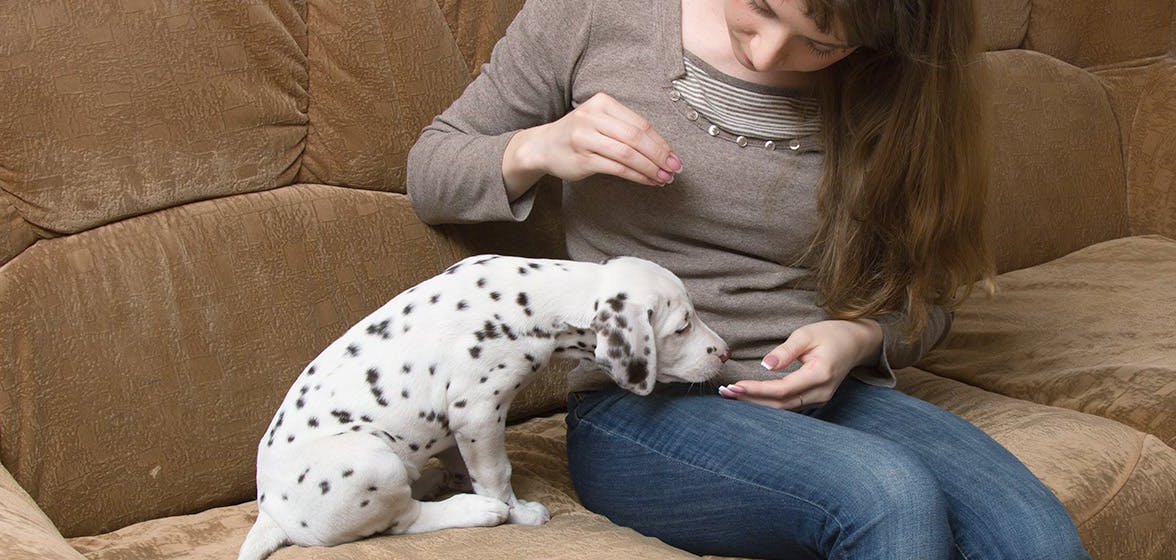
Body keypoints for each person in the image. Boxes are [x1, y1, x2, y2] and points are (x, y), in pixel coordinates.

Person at [406, 0, 1091, 557]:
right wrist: (538, 147)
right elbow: (430, 170)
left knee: (1037, 535)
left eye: (821, 45)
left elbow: (931, 295)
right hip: (643, 409)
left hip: (822, 399)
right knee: (889, 494)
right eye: (760, 6)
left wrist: (856, 337)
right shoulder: (592, 14)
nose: (765, 53)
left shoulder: (901, 87)